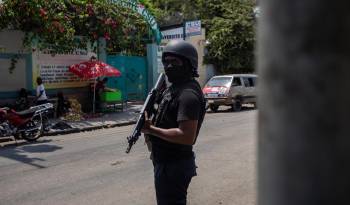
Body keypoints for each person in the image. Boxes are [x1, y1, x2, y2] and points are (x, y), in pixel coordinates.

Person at [141, 40, 206, 205]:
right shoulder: (174, 88)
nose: (169, 66)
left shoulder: (188, 94)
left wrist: (150, 130)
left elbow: (186, 136)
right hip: (166, 162)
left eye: (174, 62)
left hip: (174, 165)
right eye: (166, 62)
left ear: (188, 64)